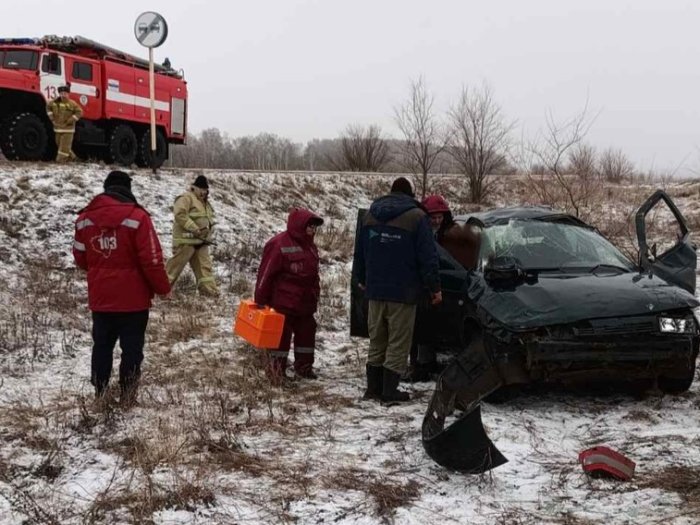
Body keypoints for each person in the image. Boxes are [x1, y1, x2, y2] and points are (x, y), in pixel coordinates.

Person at [72, 171, 171, 406]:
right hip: (133, 302)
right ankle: (128, 395)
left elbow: (80, 257)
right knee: (132, 349)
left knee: (102, 346)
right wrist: (163, 288)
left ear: (106, 189)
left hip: (102, 299)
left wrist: (100, 271)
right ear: (128, 189)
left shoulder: (84, 219)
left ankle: (101, 392)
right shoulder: (138, 218)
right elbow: (152, 260)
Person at [353, 177, 442, 404]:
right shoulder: (417, 217)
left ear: (391, 192)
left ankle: (372, 388)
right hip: (403, 291)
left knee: (377, 338)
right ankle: (389, 391)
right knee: (398, 341)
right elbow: (428, 257)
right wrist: (434, 288)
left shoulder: (371, 215)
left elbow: (361, 252)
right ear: (410, 194)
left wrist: (361, 279)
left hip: (374, 289)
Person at [254, 208, 324, 383]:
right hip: (283, 304)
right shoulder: (278, 244)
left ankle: (304, 368)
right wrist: (260, 300)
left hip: (305, 304)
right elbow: (266, 274)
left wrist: (315, 293)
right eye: (310, 226)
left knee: (307, 334)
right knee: (280, 339)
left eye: (315, 226)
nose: (313, 229)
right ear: (301, 225)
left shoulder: (310, 246)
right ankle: (276, 372)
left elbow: (314, 275)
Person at [165, 175, 219, 297]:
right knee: (174, 269)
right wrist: (194, 228)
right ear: (195, 188)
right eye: (202, 190)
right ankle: (161, 291)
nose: (204, 192)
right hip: (186, 241)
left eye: (206, 190)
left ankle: (210, 293)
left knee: (205, 270)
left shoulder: (205, 202)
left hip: (201, 242)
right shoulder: (186, 198)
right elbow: (180, 214)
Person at [47, 85, 83, 162]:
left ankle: (60, 160)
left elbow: (79, 112)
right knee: (61, 145)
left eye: (65, 93)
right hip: (58, 129)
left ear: (68, 94)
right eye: (61, 93)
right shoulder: (54, 102)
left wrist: (71, 120)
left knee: (63, 148)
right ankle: (74, 159)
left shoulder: (72, 104)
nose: (63, 95)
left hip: (68, 130)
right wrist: (52, 118)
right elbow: (48, 107)